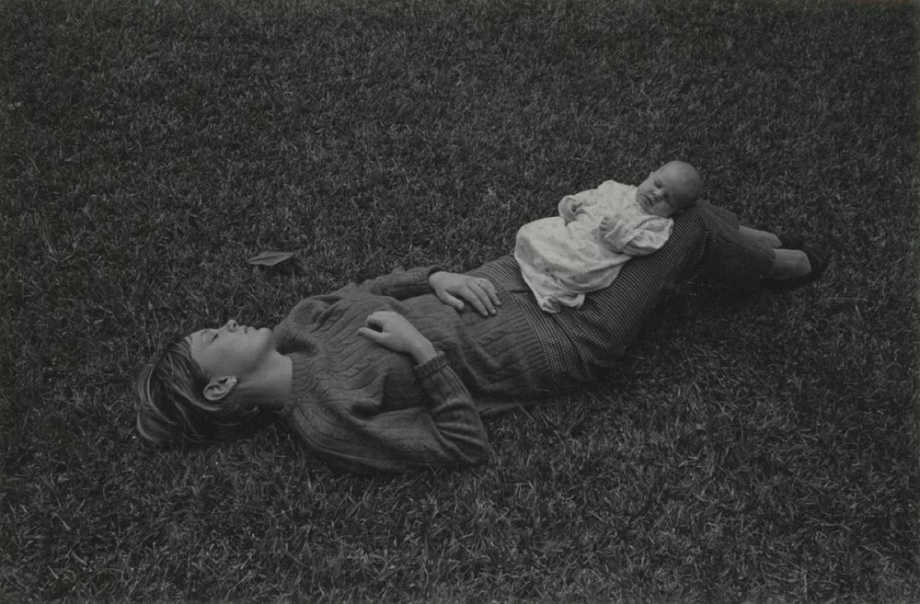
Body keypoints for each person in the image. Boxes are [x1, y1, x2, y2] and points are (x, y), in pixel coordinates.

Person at [135, 196, 830, 473]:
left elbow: (377, 285)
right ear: (221, 387)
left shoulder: (296, 324)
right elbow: (462, 446)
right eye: (214, 336)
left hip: (508, 276)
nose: (229, 321)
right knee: (684, 220)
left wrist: (436, 277)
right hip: (564, 337)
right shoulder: (327, 422)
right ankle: (769, 263)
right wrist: (421, 350)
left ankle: (735, 245)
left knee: (632, 211)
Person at [515, 161, 703, 312]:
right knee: (528, 231)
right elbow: (590, 197)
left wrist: (618, 232)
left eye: (668, 199)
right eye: (658, 184)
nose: (657, 194)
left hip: (592, 256)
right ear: (650, 175)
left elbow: (646, 244)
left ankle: (549, 283)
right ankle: (543, 270)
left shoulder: (658, 225)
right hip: (571, 234)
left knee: (578, 273)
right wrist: (572, 203)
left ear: (677, 211)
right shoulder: (615, 188)